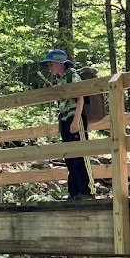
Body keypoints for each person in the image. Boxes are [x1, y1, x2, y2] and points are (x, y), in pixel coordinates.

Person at [40, 48, 92, 200]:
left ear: (60, 63)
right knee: (69, 156)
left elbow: (80, 98)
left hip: (75, 118)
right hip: (64, 119)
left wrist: (76, 121)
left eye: (51, 64)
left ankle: (86, 191)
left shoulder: (73, 76)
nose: (49, 68)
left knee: (79, 155)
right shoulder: (59, 80)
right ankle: (73, 191)